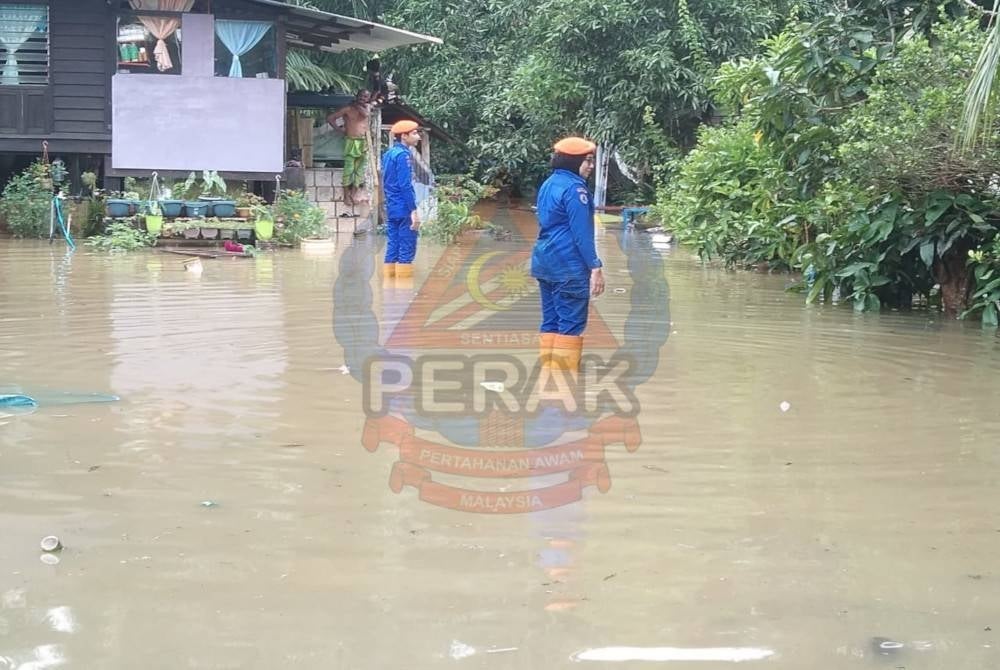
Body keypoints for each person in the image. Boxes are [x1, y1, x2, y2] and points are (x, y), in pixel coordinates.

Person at [530, 136, 605, 382]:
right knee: (571, 323)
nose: (591, 166)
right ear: (574, 162)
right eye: (587, 161)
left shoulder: (549, 183)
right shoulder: (576, 189)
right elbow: (582, 234)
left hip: (544, 261)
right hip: (569, 266)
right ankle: (565, 385)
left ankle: (547, 379)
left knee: (551, 320)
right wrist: (595, 266)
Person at [381, 119, 422, 280]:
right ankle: (403, 293)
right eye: (414, 133)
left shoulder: (388, 154)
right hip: (404, 207)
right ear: (404, 136)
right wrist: (413, 210)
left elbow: (386, 181)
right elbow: (405, 185)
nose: (418, 136)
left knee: (393, 245)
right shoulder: (403, 155)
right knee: (407, 246)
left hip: (392, 206)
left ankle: (389, 290)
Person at [326, 89, 372, 205]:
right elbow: (330, 118)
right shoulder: (347, 109)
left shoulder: (367, 108)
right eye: (361, 96)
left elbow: (366, 114)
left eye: (366, 97)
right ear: (357, 96)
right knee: (349, 169)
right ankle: (346, 195)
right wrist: (339, 130)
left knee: (359, 170)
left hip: (364, 142)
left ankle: (354, 194)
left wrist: (357, 105)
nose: (363, 98)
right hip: (351, 141)